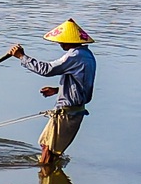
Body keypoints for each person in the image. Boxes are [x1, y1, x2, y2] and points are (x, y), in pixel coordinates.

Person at [9, 19, 95, 167]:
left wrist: (22, 57)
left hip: (67, 113)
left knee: (49, 151)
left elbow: (47, 70)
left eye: (62, 41)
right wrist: (58, 90)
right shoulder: (86, 54)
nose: (60, 44)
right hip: (73, 111)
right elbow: (80, 84)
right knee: (47, 147)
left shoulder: (74, 55)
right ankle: (47, 180)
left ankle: (46, 178)